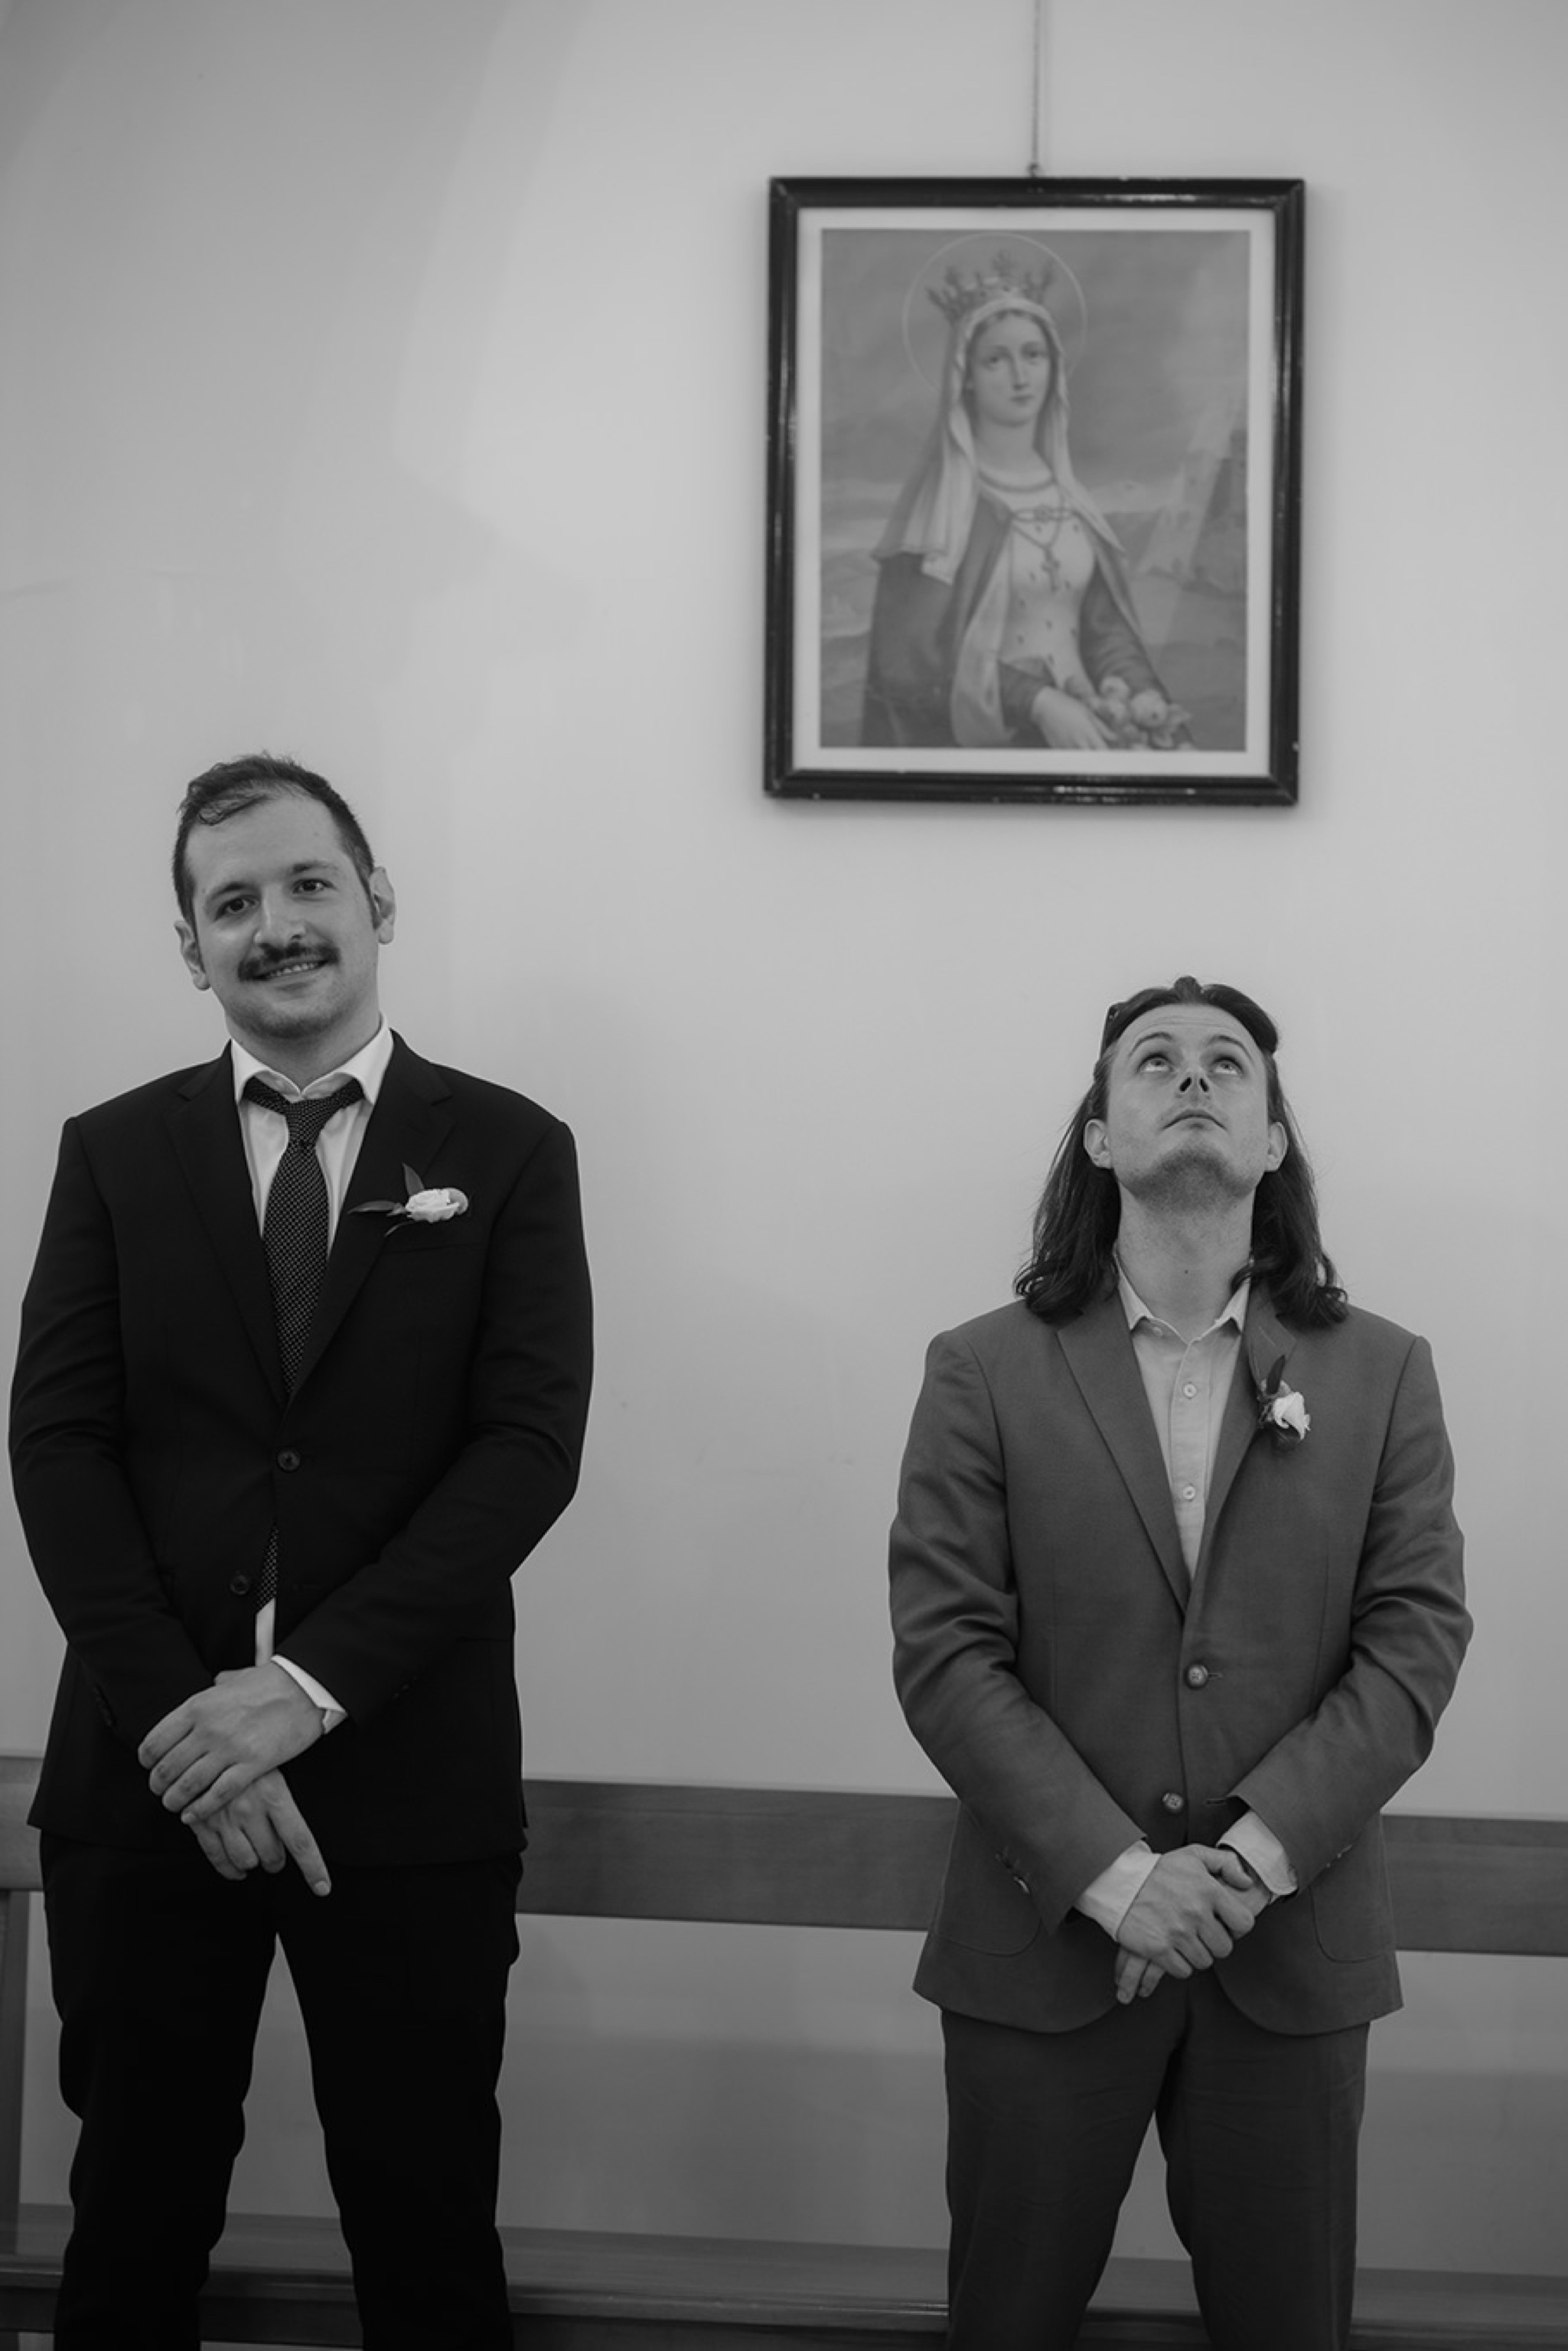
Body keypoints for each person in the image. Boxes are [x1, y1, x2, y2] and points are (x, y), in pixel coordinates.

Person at [10, 752, 593, 2349]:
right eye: (232, 902)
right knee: (131, 2229)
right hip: (150, 1784)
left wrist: (305, 1689)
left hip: (407, 1780)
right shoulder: (113, 1152)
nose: (274, 924)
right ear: (190, 946)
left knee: (425, 2235)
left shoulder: (511, 1148)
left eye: (307, 883)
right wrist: (188, 1724)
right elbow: (56, 1447)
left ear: (377, 900)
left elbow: (526, 1452)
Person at [888, 977, 1469, 2351]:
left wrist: (1248, 1863)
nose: (1191, 1077)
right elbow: (946, 1652)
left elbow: (1412, 1642)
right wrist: (1120, 1878)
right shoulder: (982, 1369)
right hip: (1047, 1950)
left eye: (1226, 1064)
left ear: (1272, 1140)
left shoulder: (1381, 1372)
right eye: (1152, 1061)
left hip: (1288, 1950)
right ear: (1099, 1134)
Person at [862, 251, 1185, 753]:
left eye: (1033, 355)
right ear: (966, 374)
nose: (1020, 376)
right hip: (993, 743)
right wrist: (1036, 701)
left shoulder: (1071, 501)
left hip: (1093, 724)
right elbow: (908, 666)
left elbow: (1105, 632)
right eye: (996, 359)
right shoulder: (940, 513)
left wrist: (1142, 696)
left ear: (1053, 366)